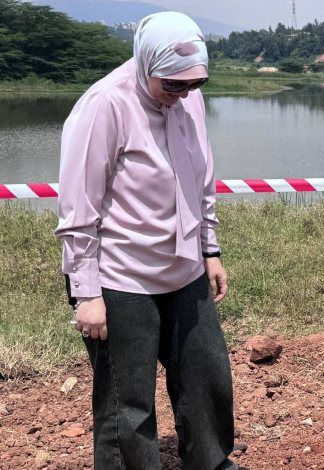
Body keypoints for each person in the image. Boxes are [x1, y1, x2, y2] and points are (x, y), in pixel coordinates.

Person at [55, 12, 238, 470]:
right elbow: (79, 208)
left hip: (185, 268)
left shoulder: (186, 99)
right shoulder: (105, 105)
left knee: (207, 375)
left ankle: (212, 463)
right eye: (171, 85)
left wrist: (209, 248)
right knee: (127, 401)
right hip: (121, 277)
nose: (180, 95)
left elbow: (202, 180)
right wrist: (87, 292)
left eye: (192, 85)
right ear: (145, 62)